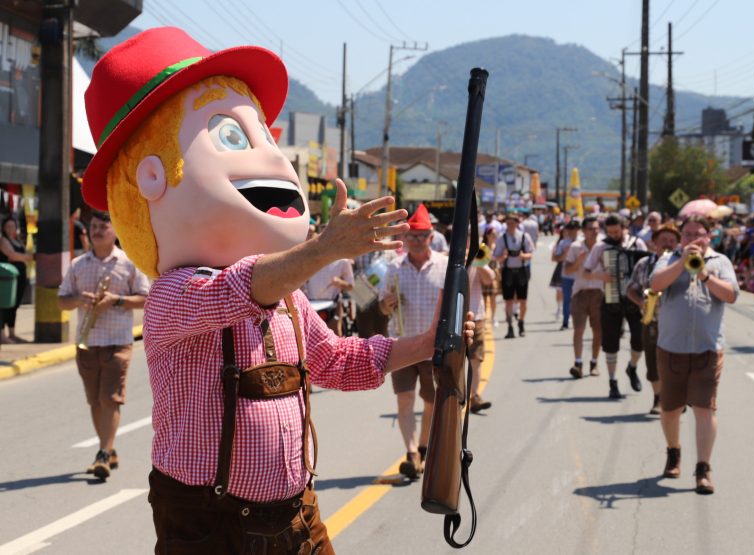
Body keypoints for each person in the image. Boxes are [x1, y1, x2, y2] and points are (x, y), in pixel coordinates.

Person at [80, 28, 473, 554]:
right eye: (232, 136)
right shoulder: (174, 295)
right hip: (209, 527)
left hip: (296, 513)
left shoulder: (287, 298)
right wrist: (324, 248)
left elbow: (338, 360)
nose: (270, 157)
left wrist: (425, 344)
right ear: (151, 177)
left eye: (263, 135)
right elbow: (238, 289)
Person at [57, 211, 150, 479]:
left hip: (117, 342)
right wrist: (78, 299)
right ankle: (109, 448)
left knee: (110, 399)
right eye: (94, 226)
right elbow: (62, 300)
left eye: (103, 227)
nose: (97, 231)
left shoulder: (128, 263)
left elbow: (146, 298)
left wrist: (117, 300)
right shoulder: (78, 264)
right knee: (95, 401)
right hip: (87, 342)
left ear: (115, 231)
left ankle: (102, 454)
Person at [650, 216, 738, 495]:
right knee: (670, 409)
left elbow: (731, 295)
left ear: (708, 237)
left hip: (707, 348)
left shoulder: (721, 262)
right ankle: (673, 451)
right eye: (686, 234)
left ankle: (703, 469)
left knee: (705, 408)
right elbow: (655, 285)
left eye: (697, 234)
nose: (692, 239)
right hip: (671, 347)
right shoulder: (668, 259)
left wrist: (704, 275)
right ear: (681, 238)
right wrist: (681, 264)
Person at [379, 204, 448, 479]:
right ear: (404, 239)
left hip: (433, 348)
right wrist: (386, 304)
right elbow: (382, 306)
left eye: (422, 236)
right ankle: (411, 453)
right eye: (412, 236)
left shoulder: (444, 267)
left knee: (431, 402)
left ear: (431, 237)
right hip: (403, 345)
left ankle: (423, 446)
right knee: (404, 399)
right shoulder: (394, 268)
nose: (417, 241)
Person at [583, 214, 647, 398]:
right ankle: (612, 382)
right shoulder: (601, 247)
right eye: (610, 232)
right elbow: (585, 272)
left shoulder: (637, 244)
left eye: (616, 231)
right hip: (611, 297)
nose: (613, 235)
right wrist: (600, 276)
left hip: (635, 299)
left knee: (640, 339)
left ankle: (632, 367)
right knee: (610, 343)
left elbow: (647, 266)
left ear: (624, 227)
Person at [626, 223, 680, 415]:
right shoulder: (644, 264)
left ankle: (675, 397)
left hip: (678, 323)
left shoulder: (683, 263)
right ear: (654, 242)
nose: (668, 244)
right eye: (663, 240)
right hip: (652, 320)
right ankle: (658, 398)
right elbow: (630, 289)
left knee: (677, 362)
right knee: (653, 362)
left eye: (672, 240)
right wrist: (641, 303)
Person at [565, 217, 604, 378]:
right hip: (580, 292)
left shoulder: (603, 246)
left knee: (598, 330)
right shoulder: (575, 247)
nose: (594, 231)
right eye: (590, 229)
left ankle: (594, 362)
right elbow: (567, 270)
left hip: (599, 293)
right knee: (579, 329)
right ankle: (578, 363)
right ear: (583, 231)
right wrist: (578, 262)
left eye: (596, 228)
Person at [493, 213, 534, 339]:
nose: (510, 225)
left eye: (512, 223)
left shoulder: (524, 236)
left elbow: (531, 254)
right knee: (508, 301)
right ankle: (510, 326)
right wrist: (503, 257)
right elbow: (495, 257)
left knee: (523, 301)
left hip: (521, 271)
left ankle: (521, 322)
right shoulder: (501, 238)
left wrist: (523, 256)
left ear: (517, 223)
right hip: (508, 271)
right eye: (508, 223)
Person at [468, 256, 495, 414]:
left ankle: (474, 396)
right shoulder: (446, 258)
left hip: (476, 317)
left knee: (476, 359)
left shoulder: (478, 260)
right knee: (454, 361)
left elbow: (489, 279)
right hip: (453, 319)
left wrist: (477, 263)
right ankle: (456, 397)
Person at [0, 216, 34, 343]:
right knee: (5, 305)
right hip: (7, 278)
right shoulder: (3, 240)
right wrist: (27, 257)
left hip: (19, 277)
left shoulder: (17, 241)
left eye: (13, 226)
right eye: (8, 226)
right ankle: (2, 335)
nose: (10, 229)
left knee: (15, 305)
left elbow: (23, 255)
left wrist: (25, 257)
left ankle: (12, 333)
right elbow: (12, 256)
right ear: (3, 228)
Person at [553, 221, 579, 330]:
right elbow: (556, 258)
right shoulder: (563, 243)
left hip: (580, 276)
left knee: (578, 299)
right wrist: (565, 254)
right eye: (570, 230)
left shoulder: (582, 242)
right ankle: (565, 322)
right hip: (567, 275)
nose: (572, 232)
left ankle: (578, 321)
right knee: (567, 299)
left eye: (574, 230)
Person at [482, 227, 500, 326]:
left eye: (495, 234)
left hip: (494, 273)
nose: (494, 236)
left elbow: (501, 258)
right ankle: (485, 317)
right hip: (485, 273)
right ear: (487, 235)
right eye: (492, 234)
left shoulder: (497, 246)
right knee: (484, 298)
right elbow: (481, 261)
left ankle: (493, 317)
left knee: (493, 297)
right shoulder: (483, 247)